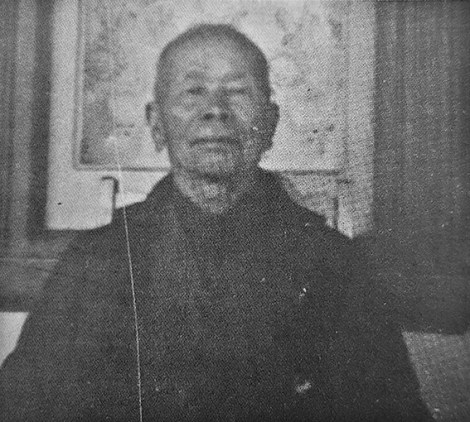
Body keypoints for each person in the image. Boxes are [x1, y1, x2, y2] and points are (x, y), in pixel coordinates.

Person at [1, 24, 432, 421]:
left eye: (238, 92)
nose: (216, 111)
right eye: (193, 91)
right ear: (156, 124)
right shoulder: (95, 264)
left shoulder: (335, 266)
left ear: (270, 124)